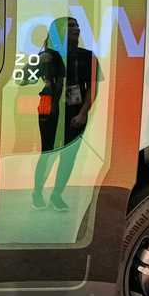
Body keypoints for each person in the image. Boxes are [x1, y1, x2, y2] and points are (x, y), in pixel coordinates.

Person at [30, 17, 99, 211]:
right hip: (47, 104)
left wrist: (83, 112)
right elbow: (25, 80)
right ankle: (37, 192)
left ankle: (56, 194)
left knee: (69, 155)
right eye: (70, 26)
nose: (76, 28)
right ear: (58, 31)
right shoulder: (46, 56)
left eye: (77, 25)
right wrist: (34, 65)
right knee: (47, 152)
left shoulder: (87, 56)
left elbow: (91, 88)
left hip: (74, 107)